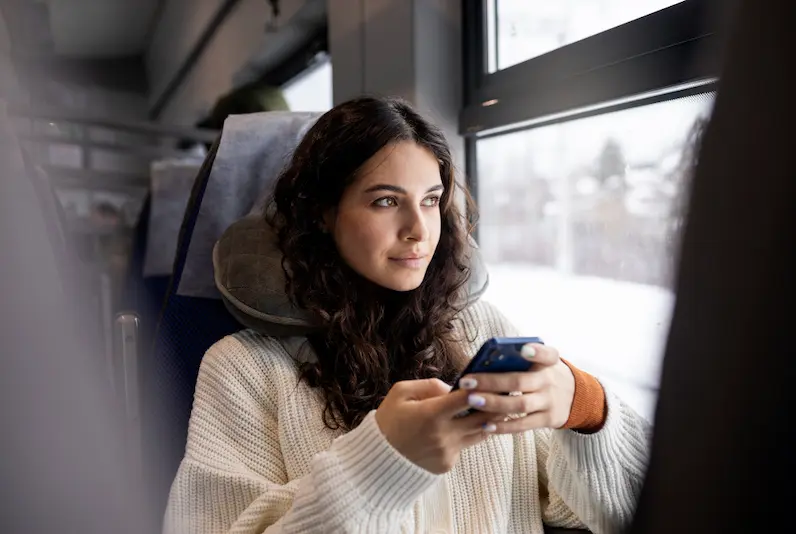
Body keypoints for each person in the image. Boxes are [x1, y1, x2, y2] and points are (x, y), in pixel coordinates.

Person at [164, 96, 652, 534]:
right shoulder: (242, 368)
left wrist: (586, 409)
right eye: (386, 201)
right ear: (322, 213)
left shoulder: (482, 328)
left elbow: (626, 510)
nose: (419, 229)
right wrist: (380, 467)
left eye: (431, 200)